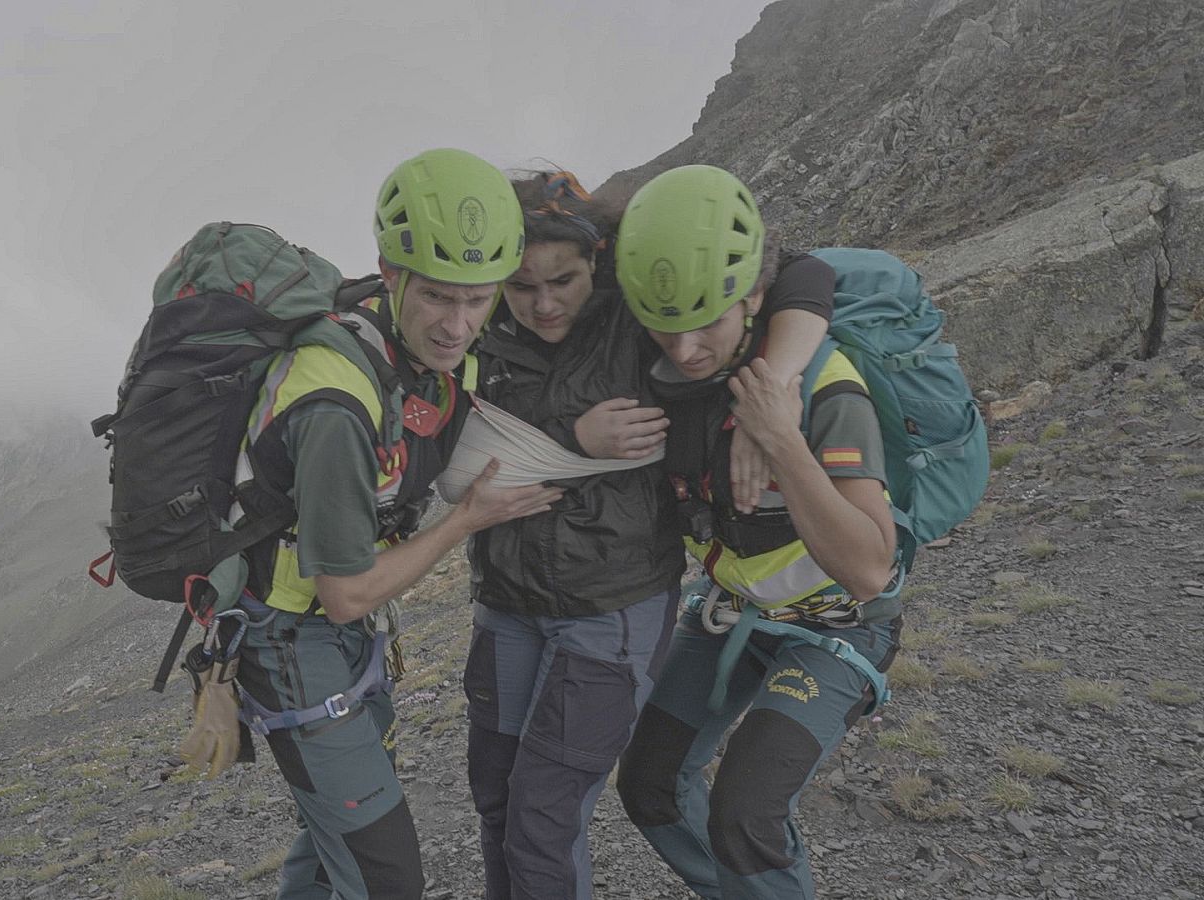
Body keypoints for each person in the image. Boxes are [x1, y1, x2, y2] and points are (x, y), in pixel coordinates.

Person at [461, 171, 830, 900]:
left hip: (611, 608)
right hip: (504, 601)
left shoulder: (637, 305)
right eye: (519, 285)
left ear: (595, 259)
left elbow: (805, 273)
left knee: (542, 817)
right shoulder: (476, 320)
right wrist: (574, 436)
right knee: (497, 798)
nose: (541, 303)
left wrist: (771, 395)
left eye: (561, 281)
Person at [231, 148, 564, 900]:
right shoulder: (337, 405)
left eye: (479, 300)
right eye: (440, 298)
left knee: (330, 854)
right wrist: (463, 522)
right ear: (390, 274)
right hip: (294, 636)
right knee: (387, 880)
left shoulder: (426, 351)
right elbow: (346, 593)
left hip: (335, 635)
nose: (458, 326)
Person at [612, 164, 902, 900]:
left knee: (744, 816)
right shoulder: (668, 378)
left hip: (841, 625)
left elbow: (869, 567)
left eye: (707, 321)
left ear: (755, 299)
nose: (683, 349)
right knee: (648, 785)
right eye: (665, 326)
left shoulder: (823, 385)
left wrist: (780, 438)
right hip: (732, 614)